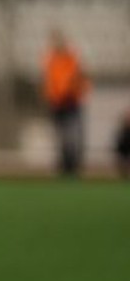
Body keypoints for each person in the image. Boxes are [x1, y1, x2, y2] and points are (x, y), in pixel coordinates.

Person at [41, 29, 88, 178]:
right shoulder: (50, 60)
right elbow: (50, 83)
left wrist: (71, 92)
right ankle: (63, 166)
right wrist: (53, 97)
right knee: (60, 136)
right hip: (57, 104)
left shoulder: (72, 58)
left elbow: (78, 79)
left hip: (72, 103)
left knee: (72, 136)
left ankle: (73, 166)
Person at [114, 109, 130, 180]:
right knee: (122, 159)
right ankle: (124, 176)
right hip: (124, 149)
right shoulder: (122, 132)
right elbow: (119, 145)